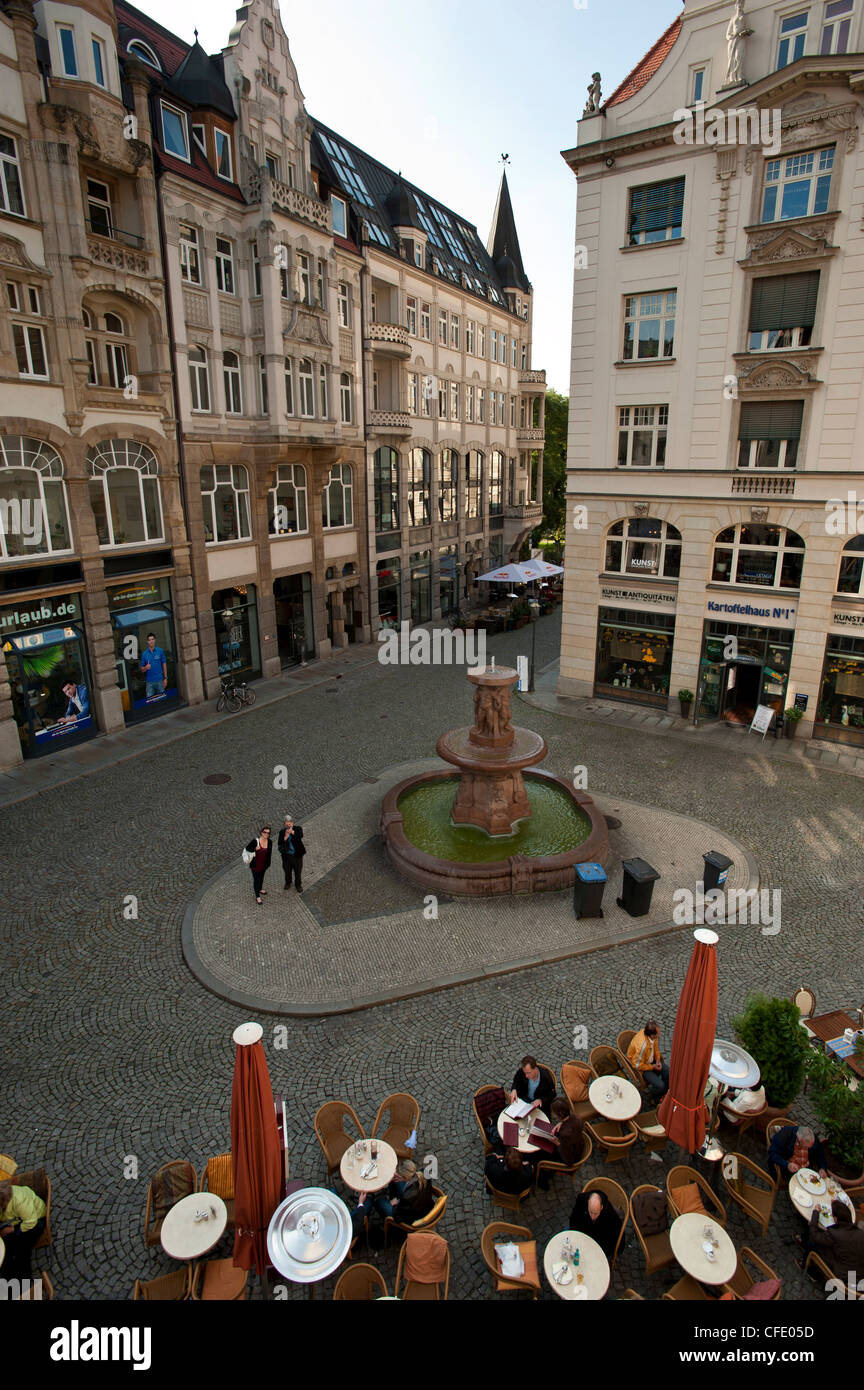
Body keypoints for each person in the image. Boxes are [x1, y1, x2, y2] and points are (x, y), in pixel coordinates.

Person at [796, 1200, 864, 1280]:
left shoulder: (836, 1234)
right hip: (859, 1271)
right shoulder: (860, 1233)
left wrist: (815, 1213)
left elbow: (815, 1236)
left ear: (835, 1218)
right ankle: (803, 1240)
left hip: (844, 1273)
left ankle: (811, 1270)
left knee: (815, 1242)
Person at [0, 1179, 46, 1280]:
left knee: (22, 1250)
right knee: (7, 1247)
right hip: (17, 1221)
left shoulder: (20, 1201)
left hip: (35, 1222)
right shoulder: (5, 1201)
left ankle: (24, 1282)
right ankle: (9, 1276)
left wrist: (11, 1229)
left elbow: (31, 1222)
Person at [569, 1189, 624, 1262]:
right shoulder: (581, 1200)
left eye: (596, 1213)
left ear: (601, 1207)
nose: (592, 1217)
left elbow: (610, 1240)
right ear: (588, 1203)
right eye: (591, 1212)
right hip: (582, 1235)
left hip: (598, 1244)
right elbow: (573, 1220)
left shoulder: (609, 1215)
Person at [627, 1021, 670, 1101]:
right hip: (643, 1068)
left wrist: (657, 1060)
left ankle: (665, 1093)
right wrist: (653, 1067)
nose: (659, 1035)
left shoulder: (653, 1037)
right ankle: (654, 1098)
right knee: (660, 1085)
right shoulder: (642, 1048)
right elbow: (637, 1065)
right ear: (652, 1035)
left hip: (650, 1060)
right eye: (658, 1033)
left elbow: (656, 1048)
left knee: (668, 1072)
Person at [278, 815, 306, 892]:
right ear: (284, 824)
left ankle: (298, 884)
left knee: (298, 871)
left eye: (289, 823)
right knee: (287, 871)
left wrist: (292, 832)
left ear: (292, 823)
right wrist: (285, 837)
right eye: (286, 824)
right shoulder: (282, 832)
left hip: (297, 855)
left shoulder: (298, 829)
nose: (288, 825)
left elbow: (300, 835)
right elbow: (280, 843)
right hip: (287, 856)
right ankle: (288, 883)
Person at [245, 825, 272, 905]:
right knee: (256, 880)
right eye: (265, 832)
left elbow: (269, 854)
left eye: (268, 833)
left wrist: (268, 864)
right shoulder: (255, 841)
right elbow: (247, 849)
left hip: (264, 865)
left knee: (261, 878)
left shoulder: (270, 842)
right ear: (261, 832)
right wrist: (254, 849)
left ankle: (260, 889)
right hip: (255, 865)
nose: (266, 834)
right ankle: (257, 896)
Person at [140, 633, 168, 698]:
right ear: (147, 642)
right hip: (149, 682)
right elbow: (142, 670)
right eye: (149, 640)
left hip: (160, 680)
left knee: (162, 699)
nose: (151, 641)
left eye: (152, 639)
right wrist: (146, 668)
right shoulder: (144, 654)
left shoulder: (160, 651)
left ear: (155, 640)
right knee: (150, 702)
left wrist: (165, 678)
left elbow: (164, 665)